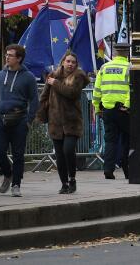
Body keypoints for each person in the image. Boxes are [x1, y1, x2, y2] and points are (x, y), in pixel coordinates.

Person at [0, 43, 38, 196]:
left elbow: (34, 100)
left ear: (19, 58)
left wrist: (29, 120)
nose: (7, 57)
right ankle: (8, 173)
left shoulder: (28, 77)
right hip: (0, 119)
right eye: (6, 54)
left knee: (18, 154)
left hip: (19, 119)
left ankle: (16, 185)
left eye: (10, 55)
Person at [36, 51, 88, 194]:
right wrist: (41, 115)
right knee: (59, 155)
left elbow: (72, 93)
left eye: (73, 62)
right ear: (63, 62)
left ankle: (72, 178)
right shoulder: (53, 75)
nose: (70, 64)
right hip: (55, 121)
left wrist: (56, 83)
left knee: (68, 150)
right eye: (68, 61)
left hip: (72, 121)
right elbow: (44, 96)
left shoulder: (78, 76)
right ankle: (64, 183)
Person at [91, 43, 131, 179]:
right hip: (124, 111)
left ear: (114, 53)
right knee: (127, 140)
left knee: (110, 141)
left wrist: (97, 107)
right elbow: (132, 89)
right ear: (127, 53)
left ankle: (108, 169)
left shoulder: (104, 67)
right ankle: (127, 169)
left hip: (107, 110)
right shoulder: (130, 68)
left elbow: (97, 90)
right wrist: (127, 105)